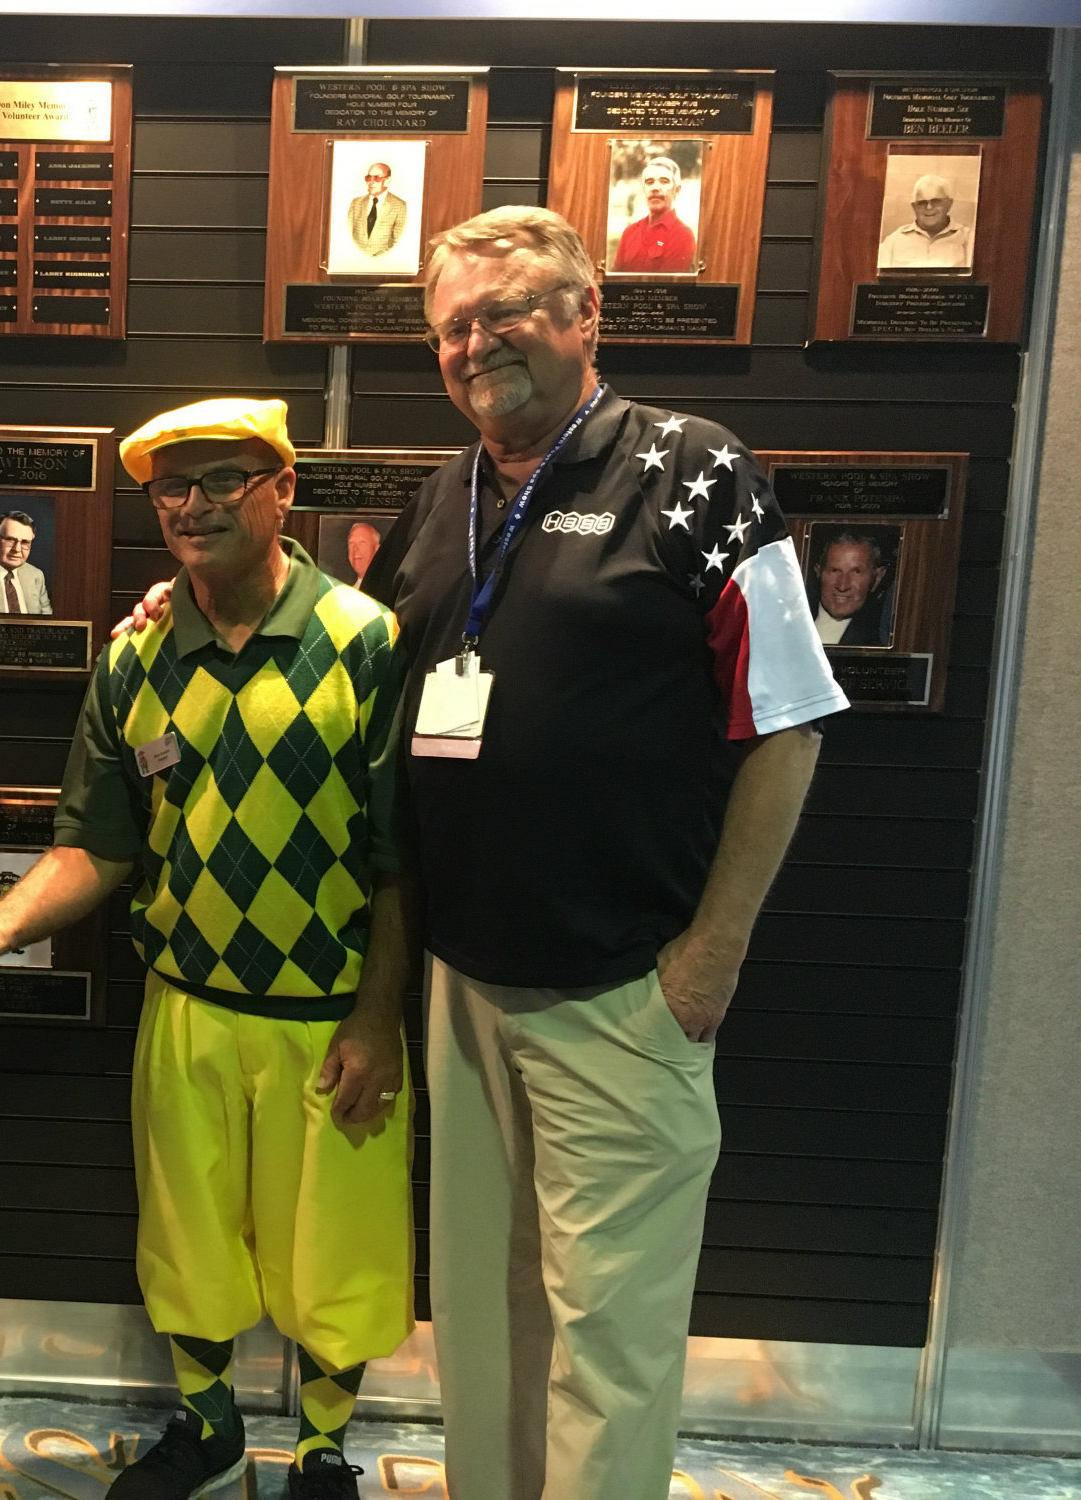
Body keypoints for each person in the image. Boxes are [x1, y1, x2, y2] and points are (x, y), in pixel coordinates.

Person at [122, 205, 847, 1500]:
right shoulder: (443, 498)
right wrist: (192, 598)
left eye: (504, 312)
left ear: (585, 312)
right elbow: (343, 659)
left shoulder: (694, 471)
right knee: (483, 1327)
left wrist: (712, 956)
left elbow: (788, 720)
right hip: (463, 995)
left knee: (607, 1347)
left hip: (620, 991)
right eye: (452, 326)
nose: (475, 344)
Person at [0, 397, 413, 1500]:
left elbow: (400, 859)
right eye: (172, 488)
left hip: (329, 1017)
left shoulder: (365, 642)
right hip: (185, 1007)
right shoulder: (136, 657)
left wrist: (380, 1017)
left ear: (283, 488)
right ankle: (209, 1428)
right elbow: (96, 847)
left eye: (224, 479)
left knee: (339, 1252)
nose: (194, 506)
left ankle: (322, 1449)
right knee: (188, 1246)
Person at [612, 154, 696, 274]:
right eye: (649, 182)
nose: (655, 188)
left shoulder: (682, 235)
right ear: (644, 189)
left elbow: (669, 283)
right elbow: (615, 277)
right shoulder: (630, 232)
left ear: (676, 190)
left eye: (664, 181)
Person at [878, 172, 974, 270]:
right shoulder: (893, 242)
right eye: (922, 203)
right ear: (914, 207)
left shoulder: (968, 240)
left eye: (936, 201)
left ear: (949, 204)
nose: (929, 207)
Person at [813, 531, 892, 646]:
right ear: (818, 572)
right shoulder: (791, 616)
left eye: (856, 572)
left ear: (877, 577)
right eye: (834, 571)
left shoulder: (881, 639)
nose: (842, 586)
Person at [0, 510, 51, 614]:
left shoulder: (36, 576)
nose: (17, 549)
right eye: (10, 540)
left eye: (25, 542)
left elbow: (47, 620)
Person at [345, 162, 407, 258]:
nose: (371, 182)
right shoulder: (356, 203)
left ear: (387, 180)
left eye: (377, 178)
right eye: (368, 178)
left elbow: (398, 241)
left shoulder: (400, 206)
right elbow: (347, 235)